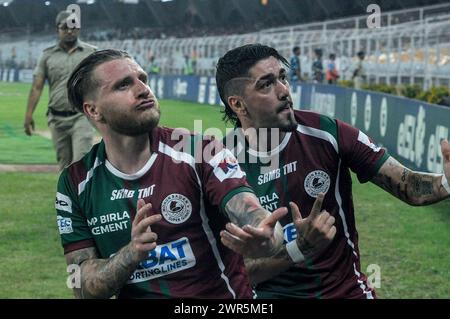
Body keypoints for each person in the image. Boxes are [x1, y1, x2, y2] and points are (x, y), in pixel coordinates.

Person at [215, 43, 450, 298]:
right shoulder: (220, 164)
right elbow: (237, 274)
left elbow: (410, 186)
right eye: (266, 84)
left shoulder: (326, 133)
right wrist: (300, 248)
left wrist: (446, 182)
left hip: (345, 292)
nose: (284, 91)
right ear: (238, 104)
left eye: (283, 77)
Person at [56, 49, 296, 299]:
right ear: (93, 110)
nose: (143, 89)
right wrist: (132, 253)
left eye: (143, 79)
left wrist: (267, 236)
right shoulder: (75, 182)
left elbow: (251, 211)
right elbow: (81, 286)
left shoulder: (201, 150)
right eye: (123, 85)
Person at [24, 10, 97, 170]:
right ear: (57, 29)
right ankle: (68, 195)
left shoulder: (91, 53)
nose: (70, 31)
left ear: (79, 28)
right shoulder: (47, 55)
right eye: (65, 27)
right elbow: (37, 87)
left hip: (81, 116)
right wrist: (28, 115)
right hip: (56, 119)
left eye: (74, 27)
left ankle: (83, 195)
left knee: (81, 162)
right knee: (65, 168)